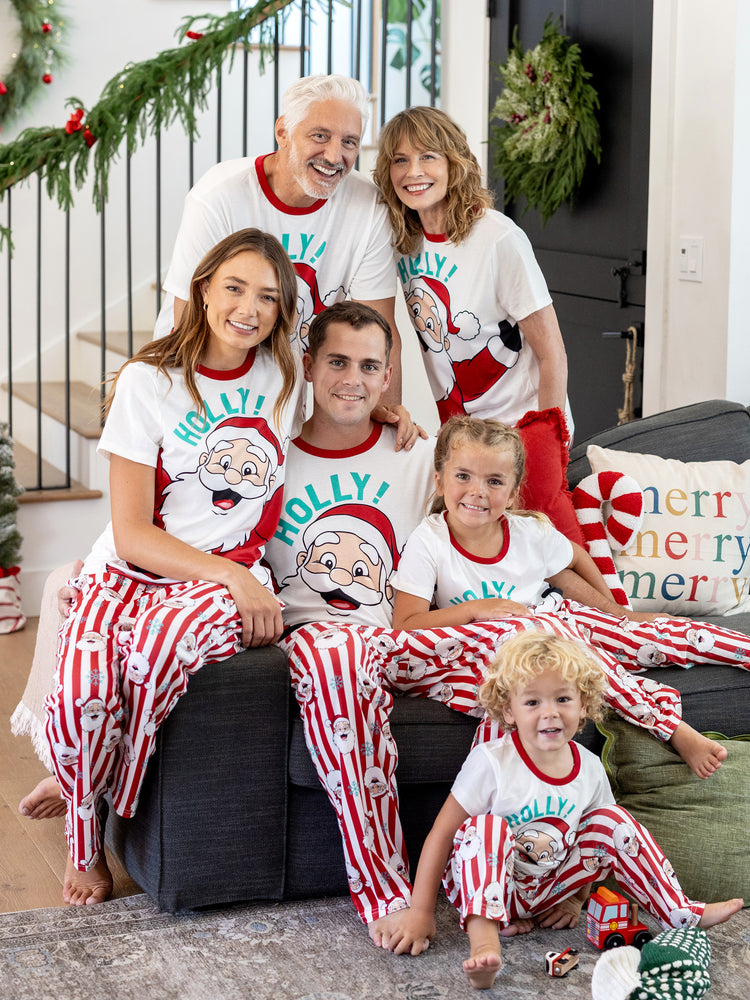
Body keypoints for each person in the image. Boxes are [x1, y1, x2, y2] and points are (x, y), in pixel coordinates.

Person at [44, 228, 304, 905]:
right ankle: (81, 784)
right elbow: (131, 533)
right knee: (82, 693)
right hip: (133, 574)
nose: (249, 309)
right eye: (235, 288)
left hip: (214, 587)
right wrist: (233, 577)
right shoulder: (147, 383)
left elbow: (343, 412)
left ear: (282, 312)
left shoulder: (283, 378)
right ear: (203, 287)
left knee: (154, 653)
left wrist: (392, 412)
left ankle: (101, 796)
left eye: (269, 298)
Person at [391, 415, 750, 777]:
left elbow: (574, 559)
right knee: (563, 645)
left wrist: (615, 611)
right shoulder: (428, 541)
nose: (477, 491)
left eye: (494, 481)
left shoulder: (528, 531)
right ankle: (671, 728)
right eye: (463, 476)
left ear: (514, 494)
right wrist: (475, 610)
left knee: (658, 634)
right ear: (439, 481)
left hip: (562, 619)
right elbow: (406, 624)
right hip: (507, 648)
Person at [382, 631, 743, 989]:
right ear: (509, 710)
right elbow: (442, 835)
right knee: (485, 827)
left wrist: (575, 900)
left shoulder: (588, 768)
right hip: (484, 885)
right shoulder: (491, 761)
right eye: (533, 702)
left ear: (584, 704)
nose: (550, 713)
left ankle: (681, 912)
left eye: (563, 698)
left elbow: (602, 844)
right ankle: (485, 943)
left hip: (546, 888)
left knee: (612, 819)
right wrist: (421, 912)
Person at [156, 73, 413, 425]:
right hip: (199, 370)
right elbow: (187, 313)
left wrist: (386, 423)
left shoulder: (368, 208)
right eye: (320, 136)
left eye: (350, 142)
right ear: (283, 132)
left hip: (284, 384)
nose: (334, 155)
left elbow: (379, 329)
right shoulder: (220, 194)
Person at [373, 105, 569, 429]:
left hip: (523, 431)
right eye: (400, 160)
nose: (413, 172)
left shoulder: (498, 238)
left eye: (428, 156)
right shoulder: (401, 241)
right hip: (461, 437)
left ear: (454, 162)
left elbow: (553, 355)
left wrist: (549, 440)